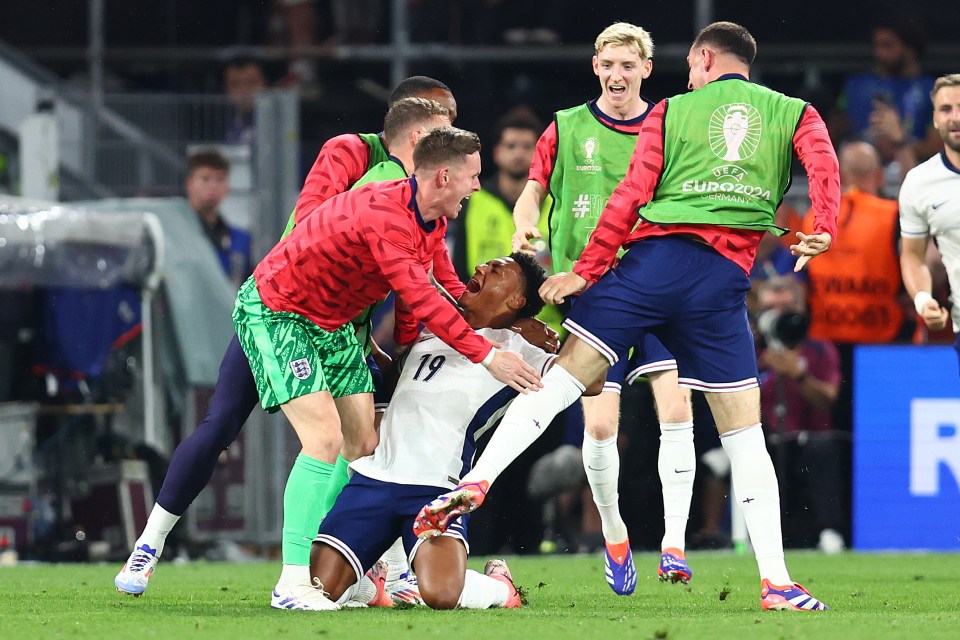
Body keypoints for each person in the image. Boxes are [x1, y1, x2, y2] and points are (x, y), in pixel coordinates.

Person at [415, 21, 839, 612]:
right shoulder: (797, 111)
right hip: (721, 283)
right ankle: (777, 582)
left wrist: (587, 272)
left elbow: (629, 198)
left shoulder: (670, 111)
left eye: (692, 67)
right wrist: (823, 228)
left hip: (650, 268)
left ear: (703, 58)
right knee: (745, 437)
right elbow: (823, 168)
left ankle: (475, 483)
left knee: (560, 382)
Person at [114, 77, 457, 601]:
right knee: (224, 423)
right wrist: (378, 208)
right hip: (288, 311)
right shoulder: (353, 155)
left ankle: (363, 567)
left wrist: (400, 343)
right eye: (442, 124)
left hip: (344, 326)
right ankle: (150, 544)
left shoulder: (427, 195)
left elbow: (418, 280)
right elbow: (308, 222)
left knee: (362, 443)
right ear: (411, 128)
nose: (450, 136)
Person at [234, 125, 540, 610]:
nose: (479, 185)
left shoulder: (431, 220)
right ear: (444, 176)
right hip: (279, 309)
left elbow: (443, 289)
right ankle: (292, 583)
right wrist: (486, 354)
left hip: (331, 322)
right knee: (324, 439)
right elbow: (418, 294)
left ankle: (384, 571)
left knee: (363, 442)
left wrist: (412, 349)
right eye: (473, 176)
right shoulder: (387, 216)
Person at [510, 22, 696, 591]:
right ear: (595, 66)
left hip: (655, 284)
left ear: (645, 68)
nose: (617, 75)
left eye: (627, 65)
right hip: (588, 293)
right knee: (601, 424)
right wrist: (525, 227)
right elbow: (534, 189)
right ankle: (615, 536)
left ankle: (674, 545)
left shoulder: (670, 125)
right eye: (607, 65)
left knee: (677, 411)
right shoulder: (566, 127)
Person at [307, 253, 568, 610]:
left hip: (437, 487)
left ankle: (500, 588)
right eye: (484, 265)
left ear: (516, 301)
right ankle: (376, 587)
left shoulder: (525, 352)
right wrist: (358, 342)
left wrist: (579, 312)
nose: (480, 269)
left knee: (441, 595)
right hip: (376, 476)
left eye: (496, 271)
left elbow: (587, 378)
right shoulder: (436, 325)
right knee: (320, 589)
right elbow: (396, 381)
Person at [755, 276, 845, 553]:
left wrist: (800, 375)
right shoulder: (748, 349)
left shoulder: (820, 349)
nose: (780, 315)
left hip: (807, 439)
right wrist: (766, 372)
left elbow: (827, 401)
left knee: (823, 448)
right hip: (765, 437)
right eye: (773, 308)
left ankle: (829, 532)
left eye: (787, 307)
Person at [830, 17, 941, 194]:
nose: (879, 52)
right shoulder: (855, 86)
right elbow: (833, 132)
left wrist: (899, 141)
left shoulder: (934, 90)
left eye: (888, 45)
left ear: (910, 48)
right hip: (860, 183)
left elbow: (940, 143)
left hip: (911, 180)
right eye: (877, 45)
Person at [899, 74, 960, 372]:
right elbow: (912, 255)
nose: (955, 118)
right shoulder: (919, 182)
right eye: (946, 109)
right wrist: (923, 299)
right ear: (934, 118)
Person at [184, 149, 252, 288]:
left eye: (220, 179)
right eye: (205, 178)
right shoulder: (175, 236)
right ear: (189, 184)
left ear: (227, 187)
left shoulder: (240, 240)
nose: (212, 186)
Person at [223, 55, 269, 145]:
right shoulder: (215, 126)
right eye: (235, 84)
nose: (244, 91)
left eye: (251, 83)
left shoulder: (281, 124)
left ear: (265, 85)